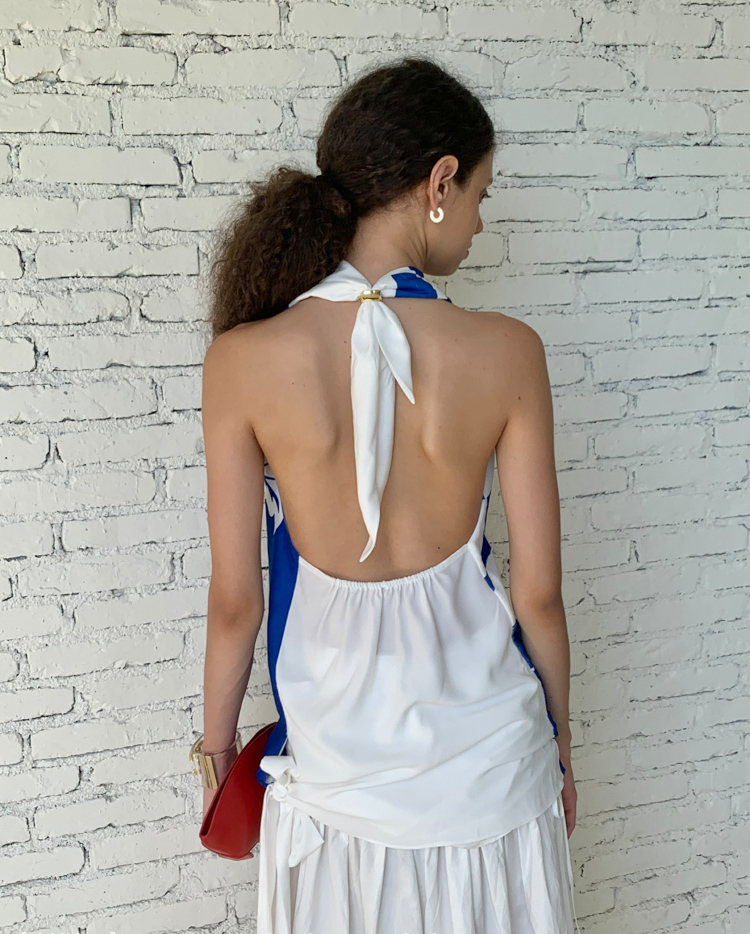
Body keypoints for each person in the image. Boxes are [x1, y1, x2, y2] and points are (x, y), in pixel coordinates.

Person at [195, 55, 581, 934]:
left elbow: (235, 604)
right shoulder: (509, 351)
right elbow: (539, 596)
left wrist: (216, 754)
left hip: (335, 785)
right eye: (481, 194)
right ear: (439, 182)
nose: (479, 221)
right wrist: (562, 742)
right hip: (495, 777)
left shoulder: (242, 361)